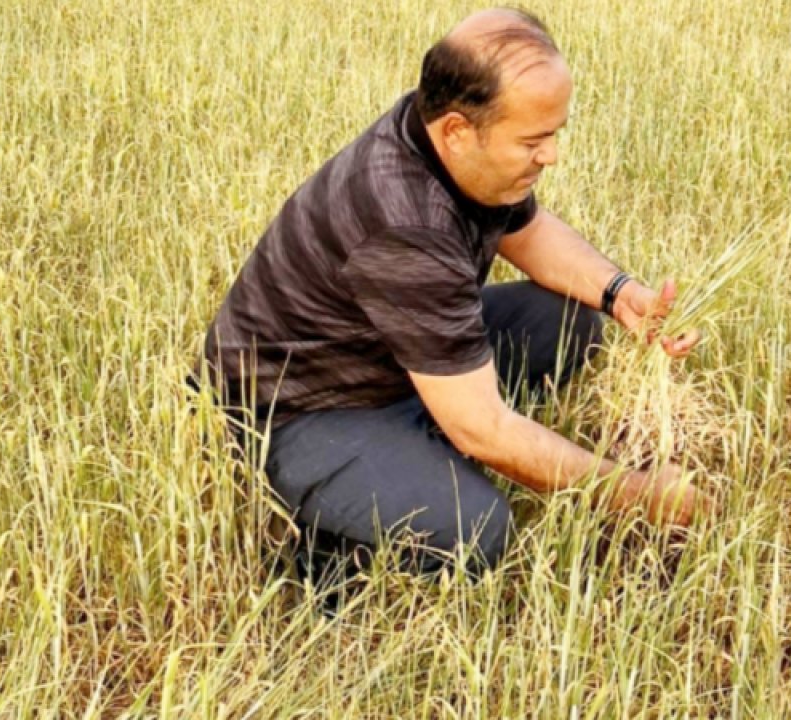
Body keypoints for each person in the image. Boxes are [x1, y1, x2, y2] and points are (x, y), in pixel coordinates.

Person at [193, 8, 706, 591]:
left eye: (555, 134)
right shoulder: (403, 224)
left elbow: (527, 231)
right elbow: (482, 430)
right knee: (474, 529)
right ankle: (328, 551)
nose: (553, 156)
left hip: (392, 358)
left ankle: (415, 440)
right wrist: (637, 493)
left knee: (571, 320)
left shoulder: (442, 138)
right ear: (460, 130)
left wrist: (620, 295)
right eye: (535, 140)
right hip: (297, 411)